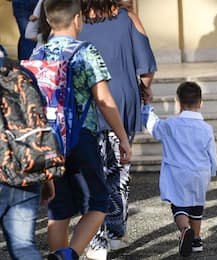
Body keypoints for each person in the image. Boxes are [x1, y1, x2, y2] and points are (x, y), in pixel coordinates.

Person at [37, 0, 132, 259]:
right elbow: (104, 100)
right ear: (77, 18)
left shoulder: (37, 54)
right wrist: (122, 138)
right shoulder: (85, 51)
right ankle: (69, 255)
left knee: (58, 211)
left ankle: (59, 253)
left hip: (49, 142)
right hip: (82, 138)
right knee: (98, 204)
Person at [77, 0, 157, 259]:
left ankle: (96, 241)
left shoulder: (76, 18)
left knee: (92, 172)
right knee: (119, 169)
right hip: (122, 100)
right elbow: (145, 67)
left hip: (86, 103)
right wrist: (144, 88)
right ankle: (115, 232)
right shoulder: (128, 17)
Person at [142, 81, 217, 257]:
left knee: (179, 206)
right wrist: (212, 170)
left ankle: (185, 230)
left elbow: (153, 126)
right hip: (200, 172)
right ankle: (197, 239)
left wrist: (147, 106)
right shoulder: (206, 128)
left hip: (177, 172)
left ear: (178, 103)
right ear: (201, 103)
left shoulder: (170, 125)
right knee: (197, 205)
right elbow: (211, 153)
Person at [0, 44, 55, 260]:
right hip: (27, 170)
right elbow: (39, 127)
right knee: (24, 246)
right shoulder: (23, 74)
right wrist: (47, 177)